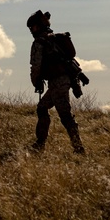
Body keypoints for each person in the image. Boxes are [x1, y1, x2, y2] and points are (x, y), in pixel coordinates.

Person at [28, 10, 85, 153]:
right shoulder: (53, 39)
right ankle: (40, 143)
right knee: (42, 107)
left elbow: (35, 67)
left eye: (33, 27)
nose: (31, 30)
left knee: (65, 114)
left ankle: (78, 148)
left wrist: (36, 82)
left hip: (57, 82)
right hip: (61, 81)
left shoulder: (39, 42)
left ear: (39, 26)